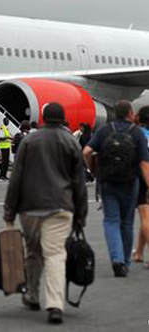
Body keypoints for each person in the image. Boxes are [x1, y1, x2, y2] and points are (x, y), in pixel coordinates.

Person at [4, 102, 87, 325]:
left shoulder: (30, 140)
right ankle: (55, 305)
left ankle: (32, 295)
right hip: (61, 206)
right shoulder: (71, 141)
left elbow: (16, 177)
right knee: (55, 254)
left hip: (30, 207)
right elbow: (79, 181)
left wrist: (9, 210)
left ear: (43, 118)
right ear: (62, 119)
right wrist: (81, 214)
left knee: (33, 252)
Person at [83, 100, 149, 276]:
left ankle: (117, 258)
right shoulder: (136, 133)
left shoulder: (105, 130)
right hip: (130, 182)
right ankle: (125, 261)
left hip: (108, 182)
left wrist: (93, 170)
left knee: (111, 220)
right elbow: (144, 163)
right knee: (127, 223)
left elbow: (86, 152)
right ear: (130, 114)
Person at [132, 106, 149, 267]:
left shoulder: (138, 134)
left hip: (143, 175)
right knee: (146, 215)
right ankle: (139, 252)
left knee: (145, 215)